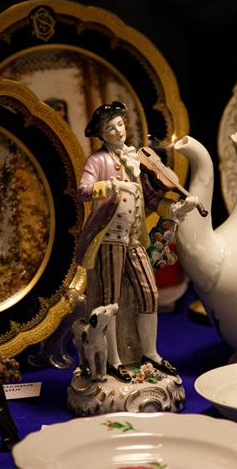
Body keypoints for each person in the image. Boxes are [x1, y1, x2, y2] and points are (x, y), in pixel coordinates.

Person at [75, 101, 199, 382]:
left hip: (133, 240)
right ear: (102, 134)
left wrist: (177, 208)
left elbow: (152, 199)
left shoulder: (134, 159)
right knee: (110, 301)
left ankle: (150, 353)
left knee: (149, 294)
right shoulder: (97, 161)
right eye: (110, 128)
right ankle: (114, 360)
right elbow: (83, 190)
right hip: (110, 239)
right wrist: (113, 185)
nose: (118, 131)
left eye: (120, 124)